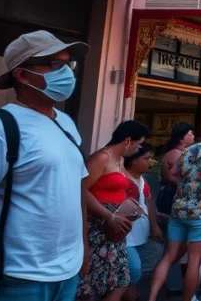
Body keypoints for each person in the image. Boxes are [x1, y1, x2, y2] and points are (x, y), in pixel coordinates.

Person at [0, 30, 88, 301]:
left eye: (68, 64)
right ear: (22, 75)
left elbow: (77, 190)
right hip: (14, 279)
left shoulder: (66, 123)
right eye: (54, 65)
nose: (67, 73)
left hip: (66, 275)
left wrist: (83, 249)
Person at [147, 115, 201, 301]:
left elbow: (172, 173)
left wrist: (187, 186)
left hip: (179, 208)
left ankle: (152, 297)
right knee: (194, 261)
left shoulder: (189, 150)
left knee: (168, 256)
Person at [78, 120, 151, 301]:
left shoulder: (119, 160)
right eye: (137, 143)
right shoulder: (101, 158)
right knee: (91, 284)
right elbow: (81, 190)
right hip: (97, 225)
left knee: (120, 281)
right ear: (127, 140)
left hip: (115, 229)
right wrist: (108, 215)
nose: (138, 147)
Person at [123, 145, 163, 301]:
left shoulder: (142, 181)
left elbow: (149, 203)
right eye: (146, 159)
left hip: (140, 235)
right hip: (126, 237)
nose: (150, 162)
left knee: (131, 272)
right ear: (133, 161)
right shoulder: (123, 180)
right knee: (133, 270)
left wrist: (154, 226)